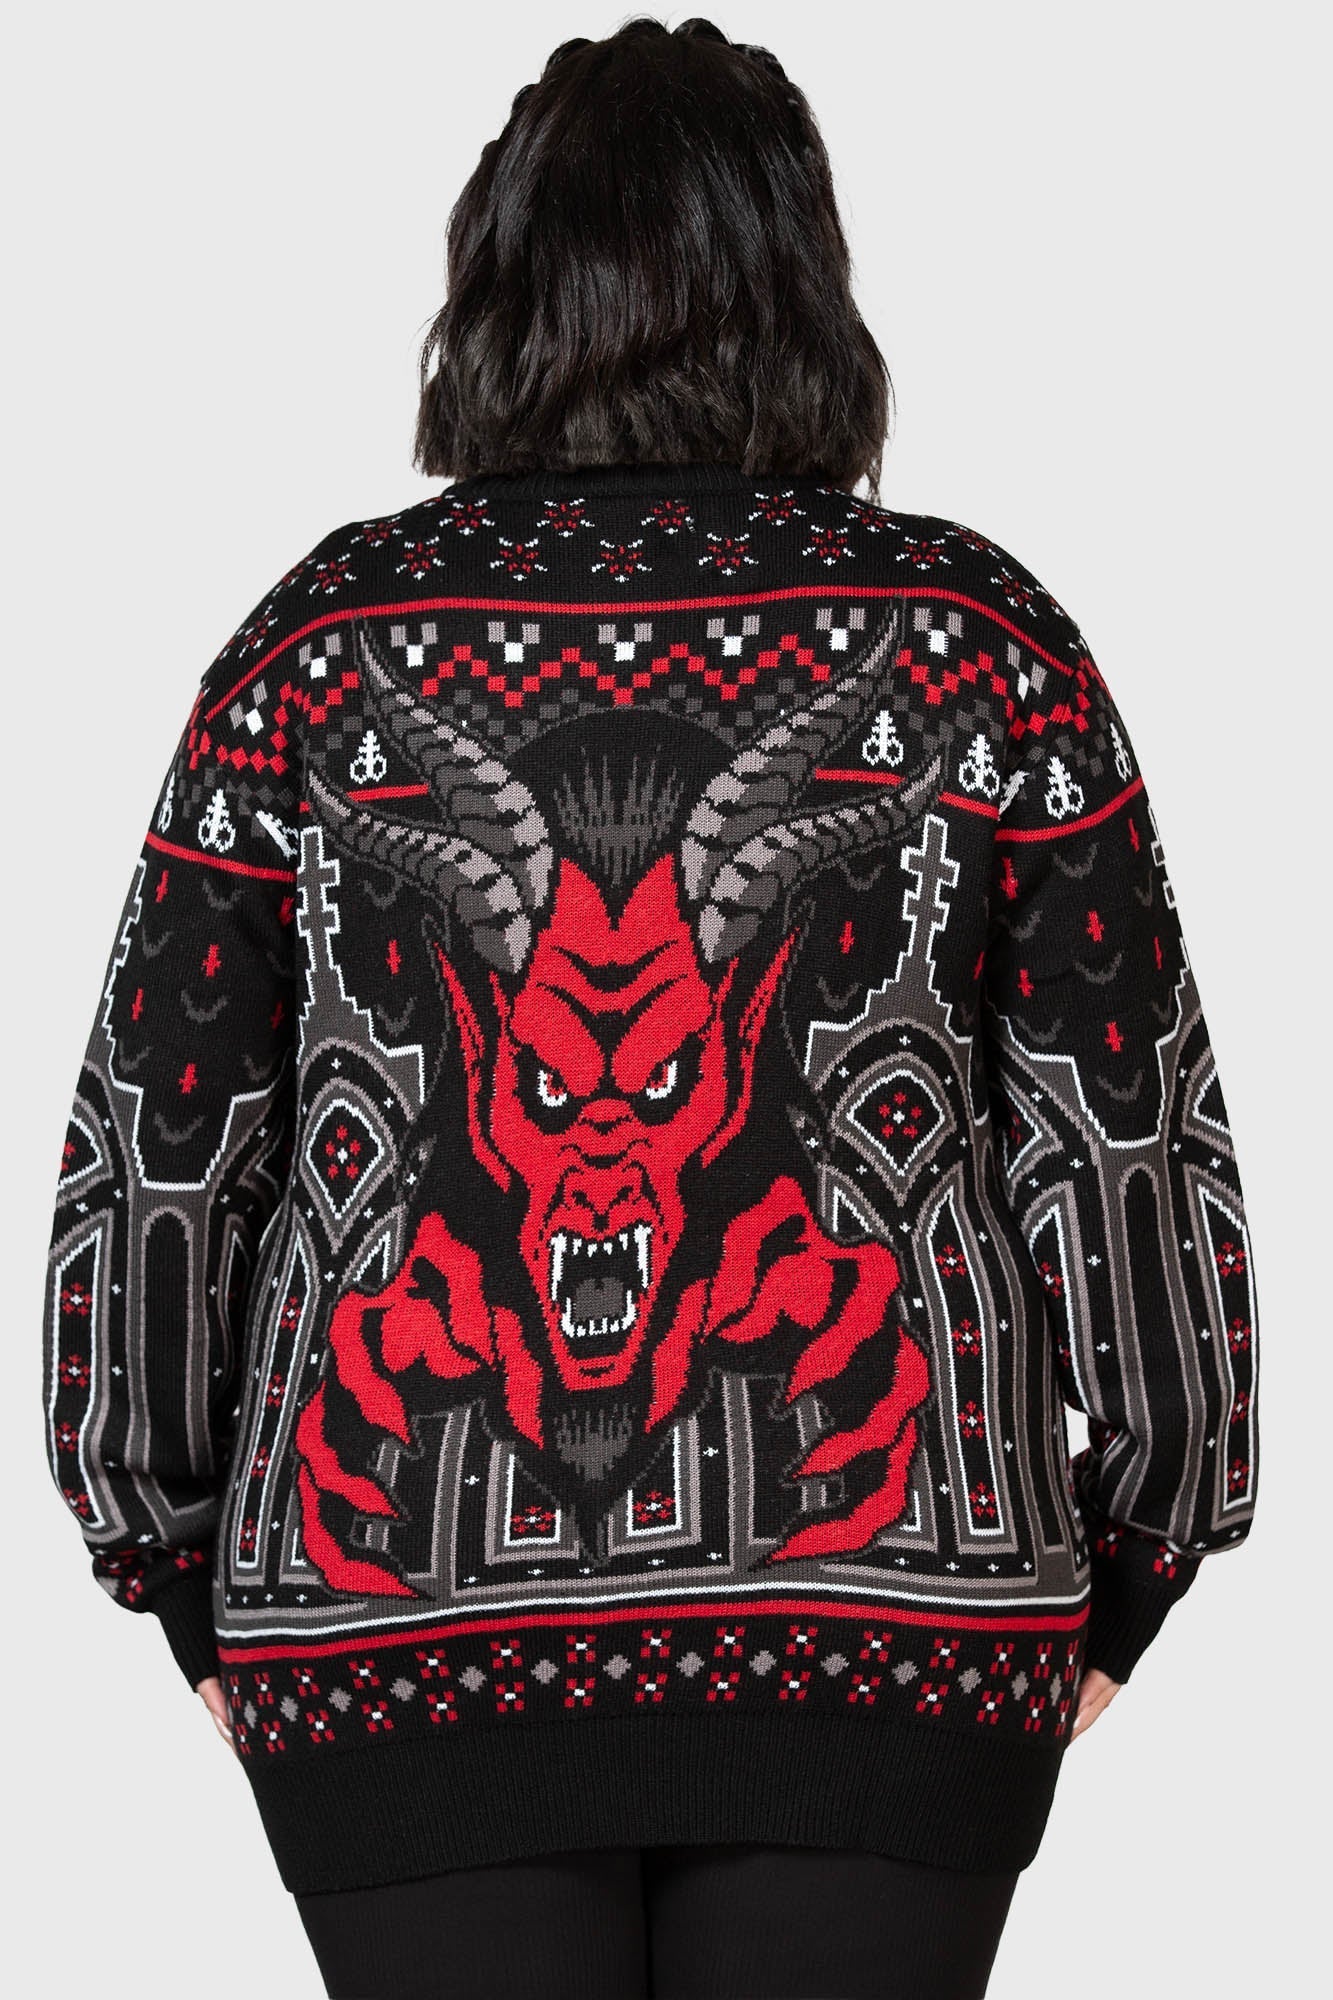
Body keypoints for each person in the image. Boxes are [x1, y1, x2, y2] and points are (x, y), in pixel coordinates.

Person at [39, 17, 1260, 2000]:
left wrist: (168, 1555)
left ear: (499, 282)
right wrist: (1144, 1542)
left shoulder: (323, 649)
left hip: (386, 1631)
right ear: (804, 277)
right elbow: (1125, 1127)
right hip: (895, 1647)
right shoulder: (975, 641)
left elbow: (160, 1136)